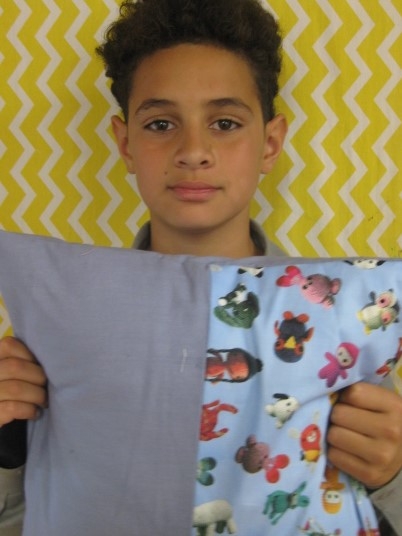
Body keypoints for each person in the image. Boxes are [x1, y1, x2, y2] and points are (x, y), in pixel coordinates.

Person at [0, 0, 401, 533]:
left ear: (270, 144)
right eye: (161, 123)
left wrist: (392, 475)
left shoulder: (339, 318)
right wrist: (8, 446)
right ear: (125, 144)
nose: (193, 151)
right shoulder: (63, 319)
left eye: (225, 123)